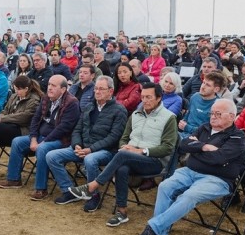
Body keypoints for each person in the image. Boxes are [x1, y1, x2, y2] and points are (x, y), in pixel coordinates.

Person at [137, 99, 245, 235]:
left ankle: (154, 227)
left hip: (218, 179)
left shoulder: (237, 138)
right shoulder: (204, 128)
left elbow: (218, 159)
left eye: (218, 113)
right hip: (189, 171)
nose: (213, 117)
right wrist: (204, 146)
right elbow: (183, 145)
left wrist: (196, 151)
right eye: (212, 113)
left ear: (231, 116)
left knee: (189, 195)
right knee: (165, 186)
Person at [68, 82, 178, 225]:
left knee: (122, 156)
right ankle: (122, 212)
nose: (145, 100)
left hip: (154, 161)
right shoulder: (136, 115)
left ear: (159, 98)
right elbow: (124, 138)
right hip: (130, 158)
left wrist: (140, 151)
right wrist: (124, 147)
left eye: (149, 97)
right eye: (143, 97)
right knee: (121, 168)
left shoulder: (169, 118)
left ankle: (92, 186)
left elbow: (168, 148)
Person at [46, 76, 129, 210]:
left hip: (106, 151)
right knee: (52, 156)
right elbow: (77, 129)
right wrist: (77, 145)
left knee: (90, 159)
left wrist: (91, 149)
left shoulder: (119, 110)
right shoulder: (89, 107)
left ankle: (93, 195)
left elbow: (114, 137)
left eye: (101, 89)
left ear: (111, 91)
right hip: (83, 148)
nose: (97, 91)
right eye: (96, 88)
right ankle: (69, 191)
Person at [0, 75, 80, 200]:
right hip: (41, 136)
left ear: (63, 89)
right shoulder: (46, 98)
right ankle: (14, 179)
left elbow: (63, 128)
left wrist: (43, 142)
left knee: (42, 149)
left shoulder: (72, 103)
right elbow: (35, 119)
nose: (49, 88)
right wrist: (34, 138)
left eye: (53, 86)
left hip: (61, 140)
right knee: (17, 141)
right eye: (49, 84)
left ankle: (41, 189)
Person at [178, 72, 224, 139]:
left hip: (199, 138)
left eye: (207, 85)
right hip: (183, 133)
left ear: (216, 89)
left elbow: (209, 131)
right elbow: (188, 114)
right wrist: (183, 121)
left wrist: (187, 128)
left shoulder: (218, 106)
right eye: (203, 82)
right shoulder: (195, 96)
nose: (203, 87)